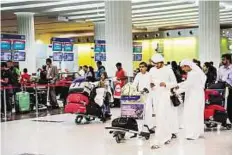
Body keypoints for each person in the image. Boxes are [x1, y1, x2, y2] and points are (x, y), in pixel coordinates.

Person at [149, 54, 178, 149]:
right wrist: (151, 85)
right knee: (159, 117)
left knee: (162, 116)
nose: (156, 66)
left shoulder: (168, 70)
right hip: (155, 95)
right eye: (155, 64)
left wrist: (166, 84)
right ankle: (166, 136)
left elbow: (174, 83)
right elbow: (149, 81)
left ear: (162, 62)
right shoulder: (152, 70)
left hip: (165, 95)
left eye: (157, 64)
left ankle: (160, 138)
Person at [175, 60, 206, 140]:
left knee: (191, 114)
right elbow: (187, 83)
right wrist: (178, 85)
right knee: (197, 114)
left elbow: (187, 85)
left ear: (188, 66)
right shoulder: (195, 72)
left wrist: (176, 91)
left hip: (193, 96)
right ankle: (198, 132)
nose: (182, 69)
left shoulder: (193, 74)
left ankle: (192, 134)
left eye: (183, 67)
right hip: (197, 95)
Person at [132, 62, 154, 132]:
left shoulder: (150, 75)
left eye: (142, 67)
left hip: (149, 95)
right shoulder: (138, 75)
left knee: (148, 111)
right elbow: (134, 84)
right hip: (141, 95)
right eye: (140, 67)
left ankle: (149, 127)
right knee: (140, 112)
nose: (141, 68)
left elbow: (153, 84)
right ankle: (141, 128)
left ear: (146, 68)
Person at [217, 54, 232, 122]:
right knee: (223, 105)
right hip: (223, 89)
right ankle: (224, 119)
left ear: (228, 60)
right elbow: (219, 79)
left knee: (230, 105)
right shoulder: (221, 68)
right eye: (222, 59)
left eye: (223, 59)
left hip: (230, 88)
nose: (222, 61)